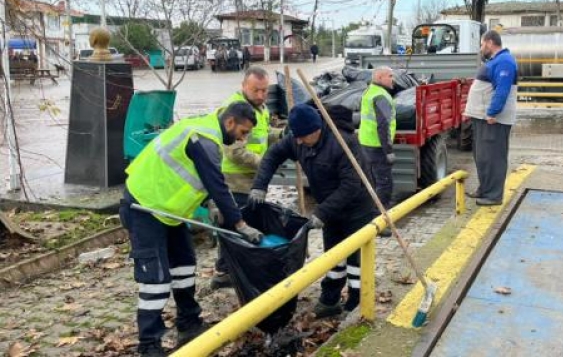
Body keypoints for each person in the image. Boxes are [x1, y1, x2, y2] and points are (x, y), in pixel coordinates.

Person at [119, 102, 264, 357]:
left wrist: (208, 204)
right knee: (157, 280)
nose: (244, 138)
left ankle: (189, 323)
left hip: (169, 212)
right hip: (144, 205)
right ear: (230, 123)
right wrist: (240, 224)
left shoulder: (208, 133)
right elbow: (217, 185)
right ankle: (149, 345)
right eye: (243, 132)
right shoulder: (204, 139)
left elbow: (199, 178)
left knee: (185, 265)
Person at [248, 104, 374, 318]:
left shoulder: (343, 143)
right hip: (330, 206)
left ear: (316, 130)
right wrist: (260, 185)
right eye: (295, 137)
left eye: (302, 137)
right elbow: (273, 155)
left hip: (357, 206)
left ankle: (357, 302)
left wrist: (321, 212)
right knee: (333, 254)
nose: (297, 142)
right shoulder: (298, 139)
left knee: (355, 258)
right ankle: (330, 299)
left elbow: (350, 185)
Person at [209, 66, 281, 290]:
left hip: (253, 179)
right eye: (255, 90)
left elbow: (262, 135)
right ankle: (224, 272)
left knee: (245, 223)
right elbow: (235, 152)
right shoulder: (231, 110)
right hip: (234, 179)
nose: (260, 95)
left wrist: (281, 135)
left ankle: (232, 268)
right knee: (234, 225)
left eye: (264, 91)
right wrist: (266, 164)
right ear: (243, 87)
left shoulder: (261, 108)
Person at [464, 29, 518, 206]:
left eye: (481, 44)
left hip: (494, 120)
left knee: (494, 157)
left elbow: (502, 90)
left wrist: (492, 112)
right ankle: (485, 189)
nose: (481, 48)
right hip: (483, 118)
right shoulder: (497, 60)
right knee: (482, 156)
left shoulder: (505, 61)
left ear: (489, 42)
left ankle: (494, 195)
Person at [358, 67, 395, 237]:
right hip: (378, 147)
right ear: (380, 77)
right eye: (390, 76)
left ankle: (368, 219)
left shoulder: (369, 91)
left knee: (372, 183)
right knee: (385, 185)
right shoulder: (381, 96)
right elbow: (384, 125)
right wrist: (388, 150)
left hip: (366, 143)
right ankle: (379, 223)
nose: (392, 79)